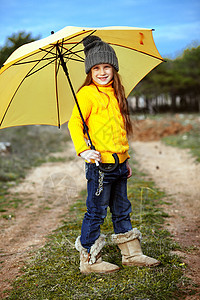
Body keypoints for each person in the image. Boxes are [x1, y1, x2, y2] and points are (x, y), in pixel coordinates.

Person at [68, 35, 160, 274]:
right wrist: (84, 148)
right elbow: (74, 124)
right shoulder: (87, 94)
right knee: (96, 211)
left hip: (119, 164)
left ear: (114, 68)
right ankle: (89, 259)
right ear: (90, 71)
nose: (102, 72)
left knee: (122, 208)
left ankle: (132, 253)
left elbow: (118, 132)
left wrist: (125, 157)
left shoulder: (117, 94)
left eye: (106, 67)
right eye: (96, 68)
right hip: (99, 165)